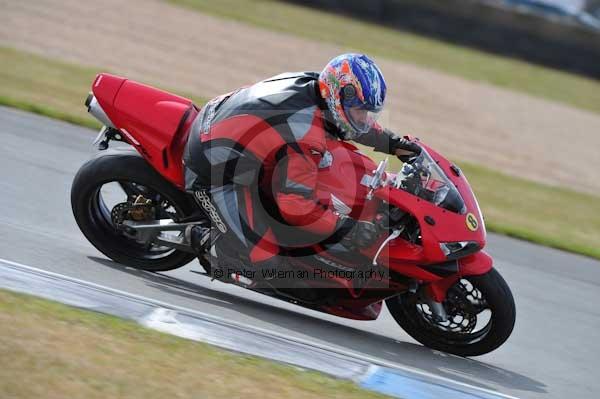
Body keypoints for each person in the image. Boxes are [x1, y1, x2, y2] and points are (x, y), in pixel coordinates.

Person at [183, 53, 420, 275]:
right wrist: (349, 228)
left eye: (368, 112)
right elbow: (294, 205)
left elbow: (348, 123)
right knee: (265, 264)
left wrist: (395, 144)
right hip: (211, 168)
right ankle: (195, 236)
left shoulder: (317, 86)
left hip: (227, 132)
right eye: (360, 110)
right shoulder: (306, 134)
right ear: (339, 96)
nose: (363, 118)